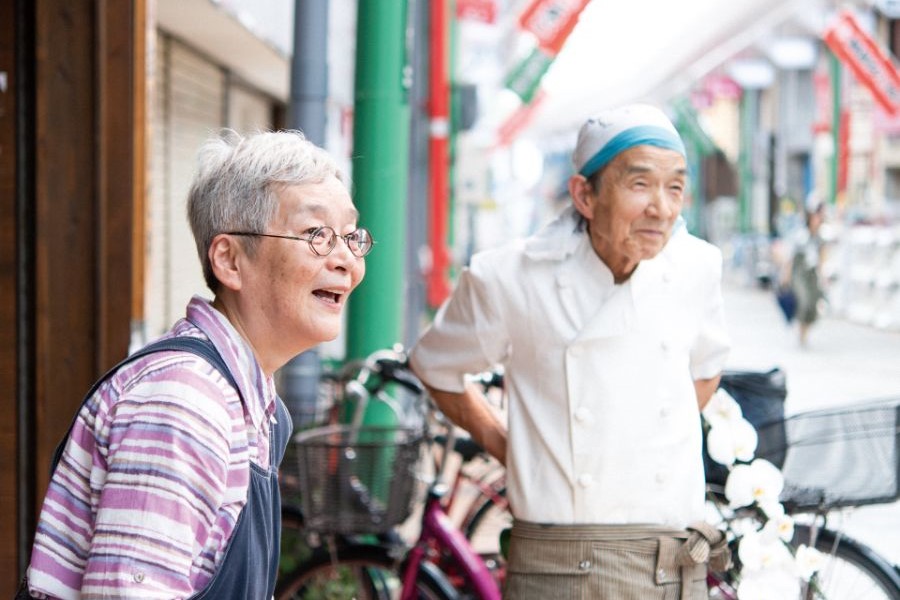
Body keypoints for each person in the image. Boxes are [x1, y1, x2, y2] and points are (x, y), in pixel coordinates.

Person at [21, 130, 371, 599]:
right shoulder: (185, 399)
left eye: (350, 236)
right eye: (316, 235)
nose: (347, 260)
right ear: (229, 260)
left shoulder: (253, 404)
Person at [409, 103, 731, 599]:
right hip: (564, 568)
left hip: (677, 563)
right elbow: (435, 365)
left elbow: (707, 367)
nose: (662, 209)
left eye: (674, 187)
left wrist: (647, 441)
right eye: (640, 184)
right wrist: (508, 446)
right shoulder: (511, 278)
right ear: (584, 194)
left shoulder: (697, 267)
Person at [789, 196, 827, 347]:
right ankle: (801, 331)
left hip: (812, 274)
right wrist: (786, 277)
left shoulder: (820, 238)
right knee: (803, 301)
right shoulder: (801, 235)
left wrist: (822, 276)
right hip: (800, 273)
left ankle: (805, 330)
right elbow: (791, 258)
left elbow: (822, 259)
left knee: (813, 303)